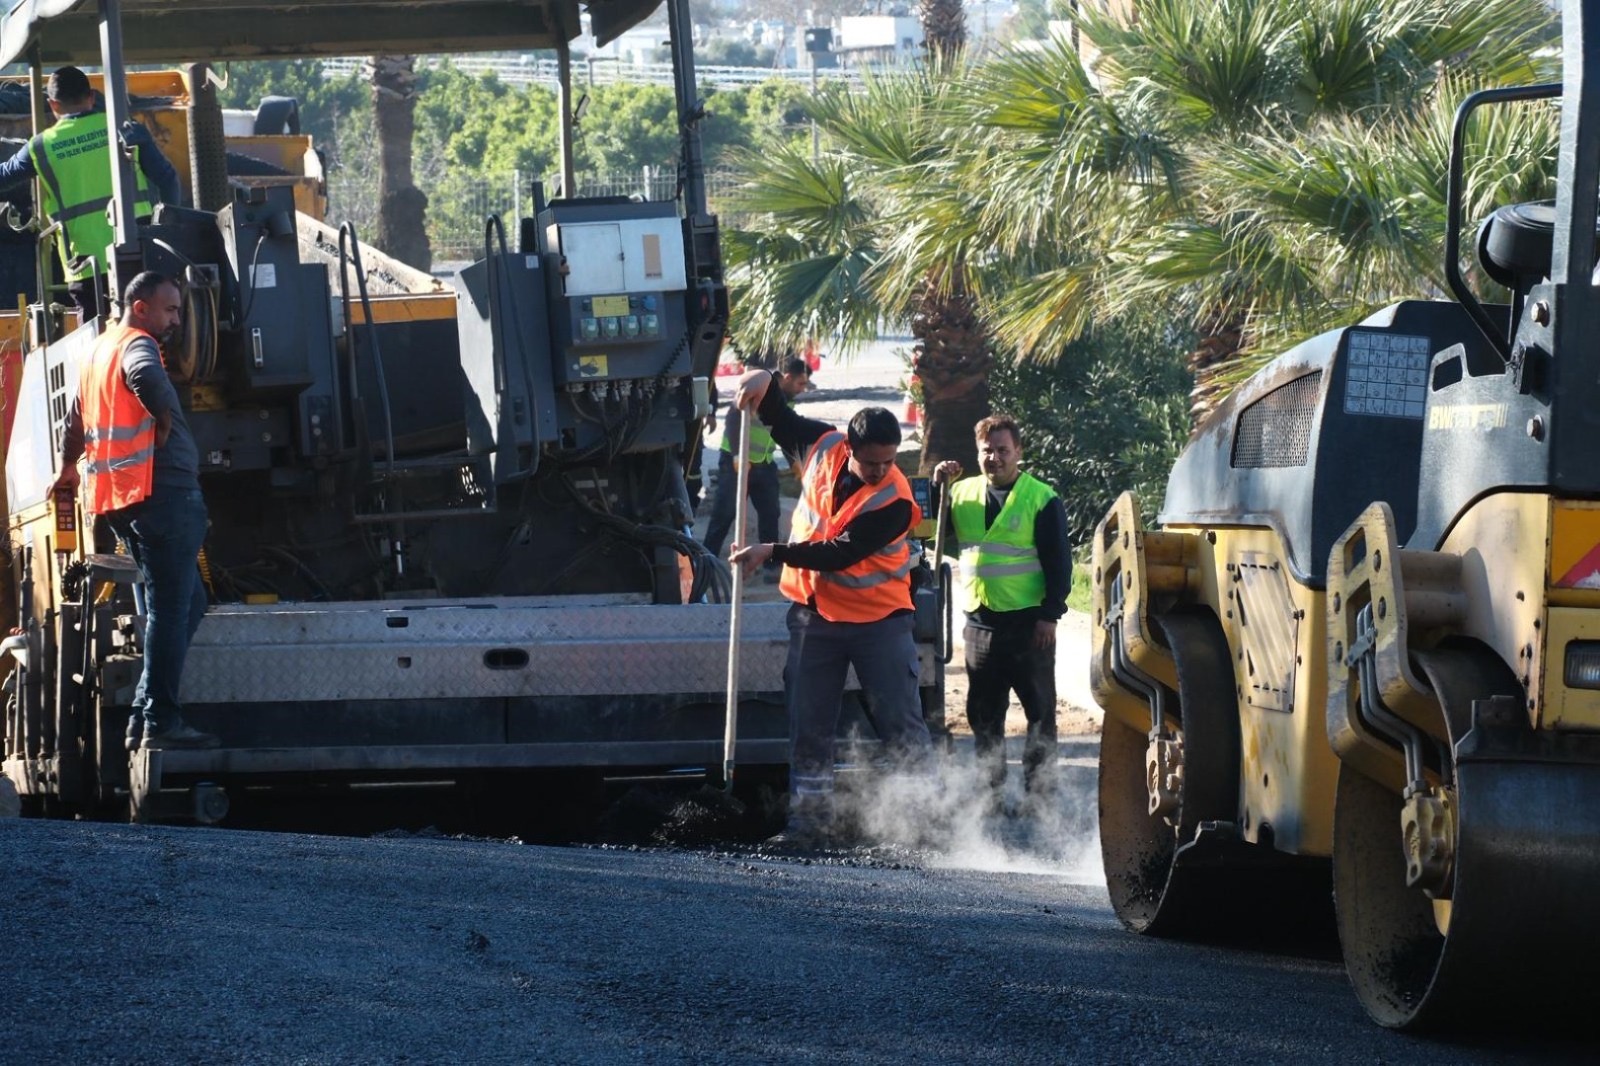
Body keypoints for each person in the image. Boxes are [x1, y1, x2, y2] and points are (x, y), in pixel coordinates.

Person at [729, 368, 933, 845]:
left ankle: (925, 825)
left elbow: (838, 553)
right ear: (850, 447)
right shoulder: (822, 445)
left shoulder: (895, 502)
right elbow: (779, 418)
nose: (881, 470)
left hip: (879, 623)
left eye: (889, 461)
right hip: (814, 618)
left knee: (900, 724)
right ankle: (809, 824)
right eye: (872, 462)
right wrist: (764, 381)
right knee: (809, 725)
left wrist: (771, 551)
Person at [54, 271, 216, 751]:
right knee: (170, 609)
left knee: (188, 604)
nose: (177, 320)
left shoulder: (98, 351)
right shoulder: (136, 345)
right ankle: (160, 721)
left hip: (126, 500)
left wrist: (67, 468)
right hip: (162, 494)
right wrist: (164, 421)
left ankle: (143, 713)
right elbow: (147, 378)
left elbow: (75, 419)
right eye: (170, 309)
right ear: (140, 307)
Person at [934, 415, 1071, 807]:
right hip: (980, 624)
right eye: (987, 451)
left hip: (1029, 625)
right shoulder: (960, 493)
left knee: (1040, 713)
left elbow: (1060, 564)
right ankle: (988, 793)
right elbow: (927, 527)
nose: (994, 458)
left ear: (1018, 452)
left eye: (1002, 450)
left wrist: (1051, 614)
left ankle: (1040, 796)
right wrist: (936, 485)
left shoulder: (1041, 498)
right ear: (977, 452)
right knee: (983, 713)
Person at [0, 66, 182, 320]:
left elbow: (4, 176)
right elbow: (168, 180)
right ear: (91, 98)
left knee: (96, 338)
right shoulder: (127, 132)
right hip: (136, 249)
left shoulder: (40, 148)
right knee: (145, 327)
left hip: (84, 263)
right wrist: (169, 234)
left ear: (53, 104)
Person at [702, 356, 811, 580]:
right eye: (800, 383)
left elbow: (785, 432)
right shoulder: (758, 386)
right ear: (787, 377)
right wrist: (736, 455)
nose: (803, 389)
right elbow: (733, 418)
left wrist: (795, 462)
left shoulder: (787, 400)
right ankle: (705, 563)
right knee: (724, 513)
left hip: (763, 463)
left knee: (771, 513)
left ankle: (771, 565)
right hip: (735, 463)